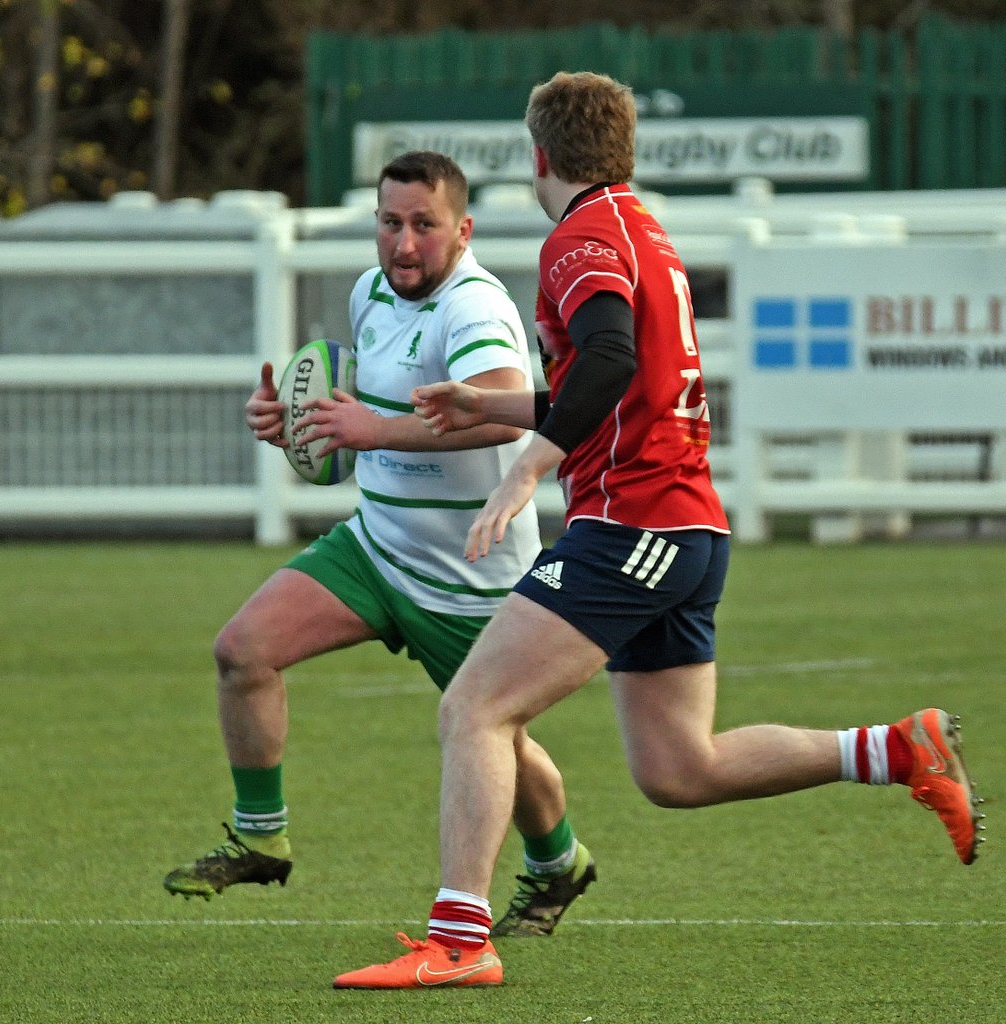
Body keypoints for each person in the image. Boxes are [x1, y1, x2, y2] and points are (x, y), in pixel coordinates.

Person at [333, 72, 986, 991]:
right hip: (682, 526)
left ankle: (458, 939)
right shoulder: (638, 227)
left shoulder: (579, 237)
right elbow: (615, 383)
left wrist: (529, 464)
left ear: (539, 156)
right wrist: (496, 402)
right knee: (679, 768)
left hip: (631, 522)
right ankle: (893, 748)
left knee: (474, 708)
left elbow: (607, 356)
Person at [163, 150, 597, 939]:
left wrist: (367, 429)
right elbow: (370, 411)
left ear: (461, 230)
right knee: (242, 651)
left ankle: (558, 860)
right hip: (374, 548)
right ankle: (260, 837)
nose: (403, 245)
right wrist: (301, 425)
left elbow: (505, 414)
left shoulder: (476, 311)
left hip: (467, 578)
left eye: (424, 226)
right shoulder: (371, 293)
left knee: (496, 736)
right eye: (390, 224)